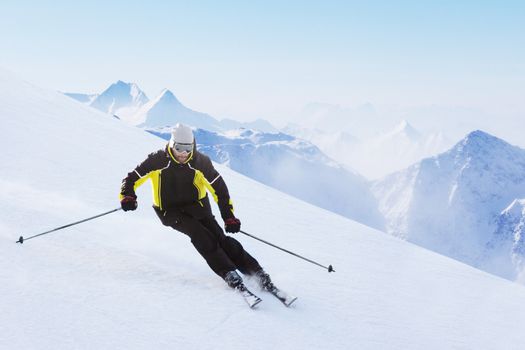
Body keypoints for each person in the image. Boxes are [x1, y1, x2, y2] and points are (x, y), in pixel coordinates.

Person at [119, 123, 273, 292]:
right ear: (171, 144)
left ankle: (257, 273)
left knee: (220, 238)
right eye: (179, 148)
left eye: (187, 148)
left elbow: (219, 189)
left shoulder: (201, 162)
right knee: (200, 234)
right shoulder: (157, 160)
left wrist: (228, 216)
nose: (183, 153)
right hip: (170, 210)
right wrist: (128, 196)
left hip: (199, 207)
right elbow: (131, 178)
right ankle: (229, 273)